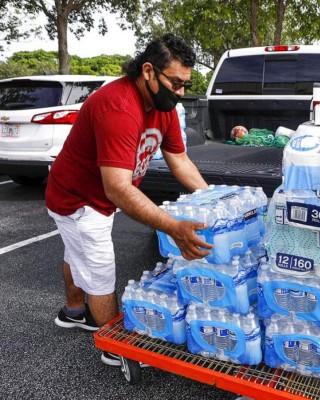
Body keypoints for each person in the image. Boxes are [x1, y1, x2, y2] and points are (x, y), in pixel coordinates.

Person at [45, 33, 213, 366]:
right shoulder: (119, 107)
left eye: (184, 85)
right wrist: (173, 227)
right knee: (99, 269)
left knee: (76, 252)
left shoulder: (162, 106)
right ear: (149, 71)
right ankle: (115, 347)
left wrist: (215, 199)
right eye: (175, 83)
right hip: (78, 200)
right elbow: (118, 188)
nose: (180, 93)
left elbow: (179, 159)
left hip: (98, 196)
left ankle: (74, 311)